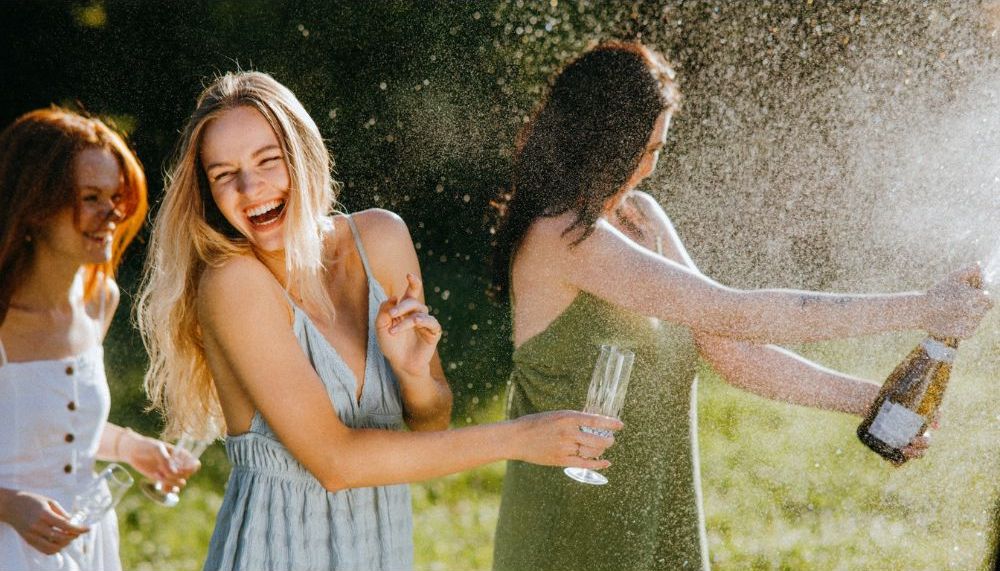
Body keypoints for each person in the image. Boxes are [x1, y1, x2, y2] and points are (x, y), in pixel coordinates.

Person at [490, 41, 993, 571]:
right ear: (599, 140)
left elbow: (731, 347)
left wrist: (871, 400)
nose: (645, 167)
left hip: (658, 513)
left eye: (657, 149)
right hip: (570, 530)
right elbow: (735, 311)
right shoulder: (560, 238)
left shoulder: (641, 218)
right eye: (639, 148)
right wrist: (921, 308)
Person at [136, 71, 621, 571]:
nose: (249, 186)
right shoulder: (232, 283)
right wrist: (520, 437)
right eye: (223, 174)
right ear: (209, 192)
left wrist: (413, 376)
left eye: (268, 160)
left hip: (379, 547)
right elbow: (336, 464)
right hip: (277, 551)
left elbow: (430, 423)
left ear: (303, 155)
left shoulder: (381, 239)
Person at [0, 107, 200, 571]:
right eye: (90, 197)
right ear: (33, 205)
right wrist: (9, 505)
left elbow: (53, 428)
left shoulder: (99, 300)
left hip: (86, 547)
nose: (112, 213)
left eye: (116, 196)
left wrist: (134, 448)